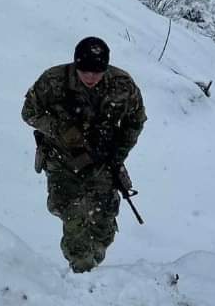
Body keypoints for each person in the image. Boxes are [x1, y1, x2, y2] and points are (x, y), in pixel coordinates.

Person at [21, 36, 147, 273]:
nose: (90, 77)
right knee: (74, 215)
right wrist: (62, 131)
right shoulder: (53, 81)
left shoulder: (122, 85)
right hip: (62, 160)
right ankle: (81, 273)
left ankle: (91, 269)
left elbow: (135, 120)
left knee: (103, 224)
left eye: (97, 72)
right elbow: (29, 112)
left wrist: (118, 154)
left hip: (102, 161)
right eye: (85, 71)